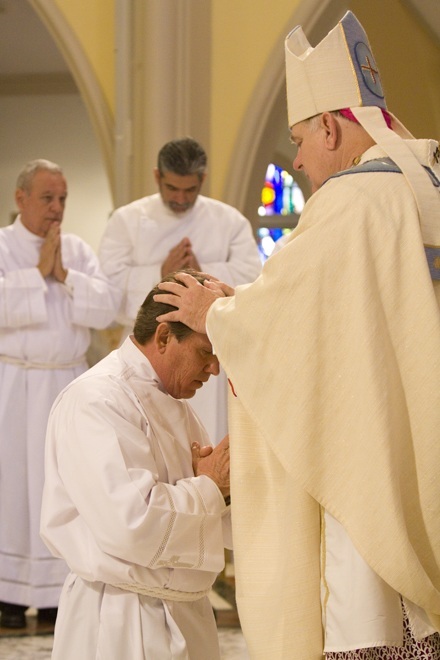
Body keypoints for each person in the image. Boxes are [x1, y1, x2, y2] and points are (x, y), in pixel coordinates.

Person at [153, 11, 440, 660]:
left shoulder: (352, 202)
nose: (302, 158)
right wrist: (247, 304)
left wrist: (212, 314)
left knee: (367, 615)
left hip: (370, 460)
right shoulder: (425, 183)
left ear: (332, 126)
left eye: (301, 139)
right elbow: (343, 316)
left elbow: (303, 334)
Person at [40, 271, 232, 660]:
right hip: (122, 617)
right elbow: (131, 524)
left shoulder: (178, 406)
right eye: (205, 351)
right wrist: (211, 485)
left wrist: (222, 491)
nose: (214, 369)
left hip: (187, 610)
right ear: (163, 336)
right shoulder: (96, 400)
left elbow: (212, 518)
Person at [0, 159, 119, 629]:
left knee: (61, 485)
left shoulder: (76, 251)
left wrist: (64, 275)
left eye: (63, 199)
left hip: (65, 382)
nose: (57, 208)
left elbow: (108, 307)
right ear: (20, 199)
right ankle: (7, 593)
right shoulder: (3, 245)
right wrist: (35, 274)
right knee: (11, 488)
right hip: (13, 383)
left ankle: (55, 593)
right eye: (47, 198)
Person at [98, 137, 261, 445]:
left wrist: (202, 278)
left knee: (206, 436)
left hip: (207, 350)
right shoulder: (127, 220)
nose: (181, 199)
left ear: (202, 179)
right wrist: (160, 274)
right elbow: (108, 292)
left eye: (190, 190)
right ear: (157, 175)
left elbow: (252, 282)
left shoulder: (229, 221)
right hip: (151, 347)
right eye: (172, 189)